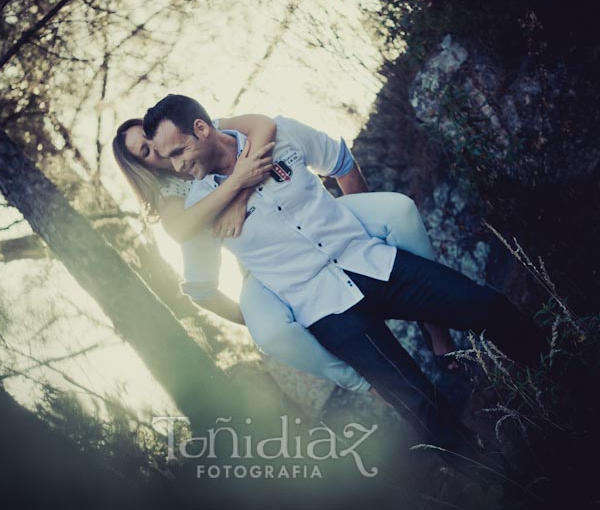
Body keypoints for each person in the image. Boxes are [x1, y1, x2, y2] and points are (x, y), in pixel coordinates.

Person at [143, 94, 548, 471]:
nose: (176, 166)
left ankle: (560, 371)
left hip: (370, 262)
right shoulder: (198, 212)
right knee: (419, 405)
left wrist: (362, 220)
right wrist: (254, 318)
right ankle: (503, 480)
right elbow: (199, 286)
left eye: (178, 151)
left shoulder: (277, 133)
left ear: (201, 128)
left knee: (488, 307)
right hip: (325, 309)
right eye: (168, 158)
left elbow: (338, 160)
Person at [112, 108, 460, 396]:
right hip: (263, 263)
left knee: (399, 213)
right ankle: (367, 387)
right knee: (271, 332)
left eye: (149, 136)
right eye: (145, 152)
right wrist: (248, 314)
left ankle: (436, 326)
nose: (156, 150)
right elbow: (184, 238)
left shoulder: (195, 131)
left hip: (311, 222)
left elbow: (263, 124)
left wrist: (351, 234)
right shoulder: (169, 199)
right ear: (141, 167)